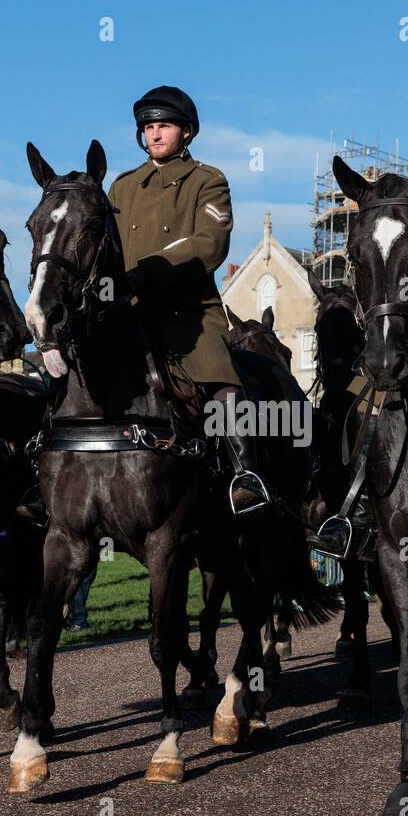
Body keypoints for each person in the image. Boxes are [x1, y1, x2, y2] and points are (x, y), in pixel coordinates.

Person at [107, 85, 271, 514]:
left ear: (186, 132)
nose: (155, 135)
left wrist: (148, 271)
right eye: (148, 127)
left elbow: (210, 243)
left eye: (164, 126)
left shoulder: (207, 180)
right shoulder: (121, 189)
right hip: (125, 314)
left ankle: (244, 474)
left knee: (220, 379)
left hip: (188, 314)